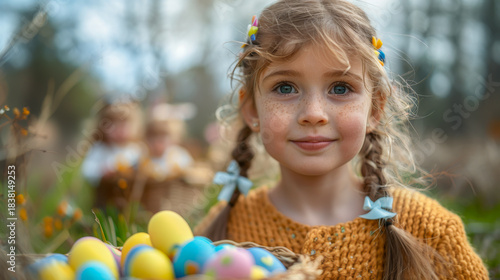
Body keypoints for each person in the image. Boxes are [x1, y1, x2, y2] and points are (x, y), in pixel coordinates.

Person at [194, 1, 489, 279]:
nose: (313, 114)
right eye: (285, 88)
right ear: (251, 110)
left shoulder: (430, 230)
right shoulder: (222, 230)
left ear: (374, 108)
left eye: (340, 88)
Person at [81, 98, 142, 208]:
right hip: (105, 197)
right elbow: (87, 170)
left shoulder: (136, 149)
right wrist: (101, 171)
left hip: (130, 199)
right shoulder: (100, 149)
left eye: (123, 124)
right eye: (112, 124)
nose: (118, 129)